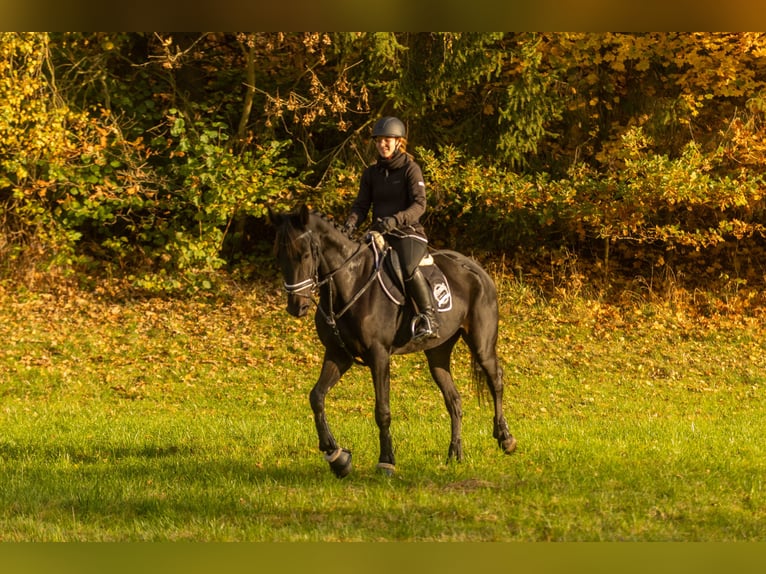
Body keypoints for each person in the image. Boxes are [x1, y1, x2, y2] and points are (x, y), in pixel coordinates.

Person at [343, 116, 438, 341]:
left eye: (387, 140)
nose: (382, 145)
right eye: (378, 141)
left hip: (408, 233)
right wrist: (350, 224)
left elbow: (420, 204)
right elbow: (361, 205)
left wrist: (396, 220)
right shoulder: (371, 174)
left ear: (398, 142)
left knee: (407, 267)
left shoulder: (410, 169)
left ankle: (429, 318)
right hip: (379, 233)